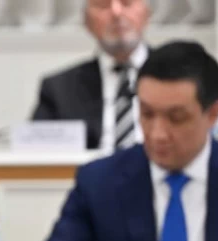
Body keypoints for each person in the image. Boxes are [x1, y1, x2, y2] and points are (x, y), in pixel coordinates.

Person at [33, 41, 218, 241]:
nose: (157, 133)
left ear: (214, 114)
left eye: (176, 118)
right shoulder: (100, 182)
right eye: (147, 114)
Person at [31, 0, 150, 151]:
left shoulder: (176, 76)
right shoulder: (59, 88)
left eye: (126, 3)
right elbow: (37, 151)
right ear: (86, 22)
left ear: (147, 14)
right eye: (103, 5)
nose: (116, 12)